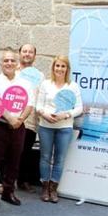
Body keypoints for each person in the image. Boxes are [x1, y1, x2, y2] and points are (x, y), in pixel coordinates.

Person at [0, 48, 34, 207]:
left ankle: (8, 191)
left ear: (17, 63)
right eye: (6, 61)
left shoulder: (25, 82)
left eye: (12, 60)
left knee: (14, 160)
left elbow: (30, 103)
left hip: (19, 126)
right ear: (1, 63)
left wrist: (20, 119)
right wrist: (9, 118)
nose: (9, 63)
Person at [35, 55, 83, 203]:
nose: (60, 69)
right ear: (53, 67)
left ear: (67, 69)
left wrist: (66, 114)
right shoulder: (45, 84)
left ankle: (53, 189)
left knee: (60, 159)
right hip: (46, 126)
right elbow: (38, 105)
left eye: (63, 66)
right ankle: (44, 187)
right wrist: (44, 114)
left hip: (64, 127)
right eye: (57, 66)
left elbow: (79, 108)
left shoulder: (73, 86)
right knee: (45, 157)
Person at [17, 44, 43, 193]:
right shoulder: (13, 71)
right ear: (20, 54)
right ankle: (1, 181)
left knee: (26, 151)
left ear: (34, 56)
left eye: (30, 52)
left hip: (31, 119)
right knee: (7, 151)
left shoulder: (39, 75)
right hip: (13, 117)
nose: (27, 54)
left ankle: (23, 180)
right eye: (24, 51)